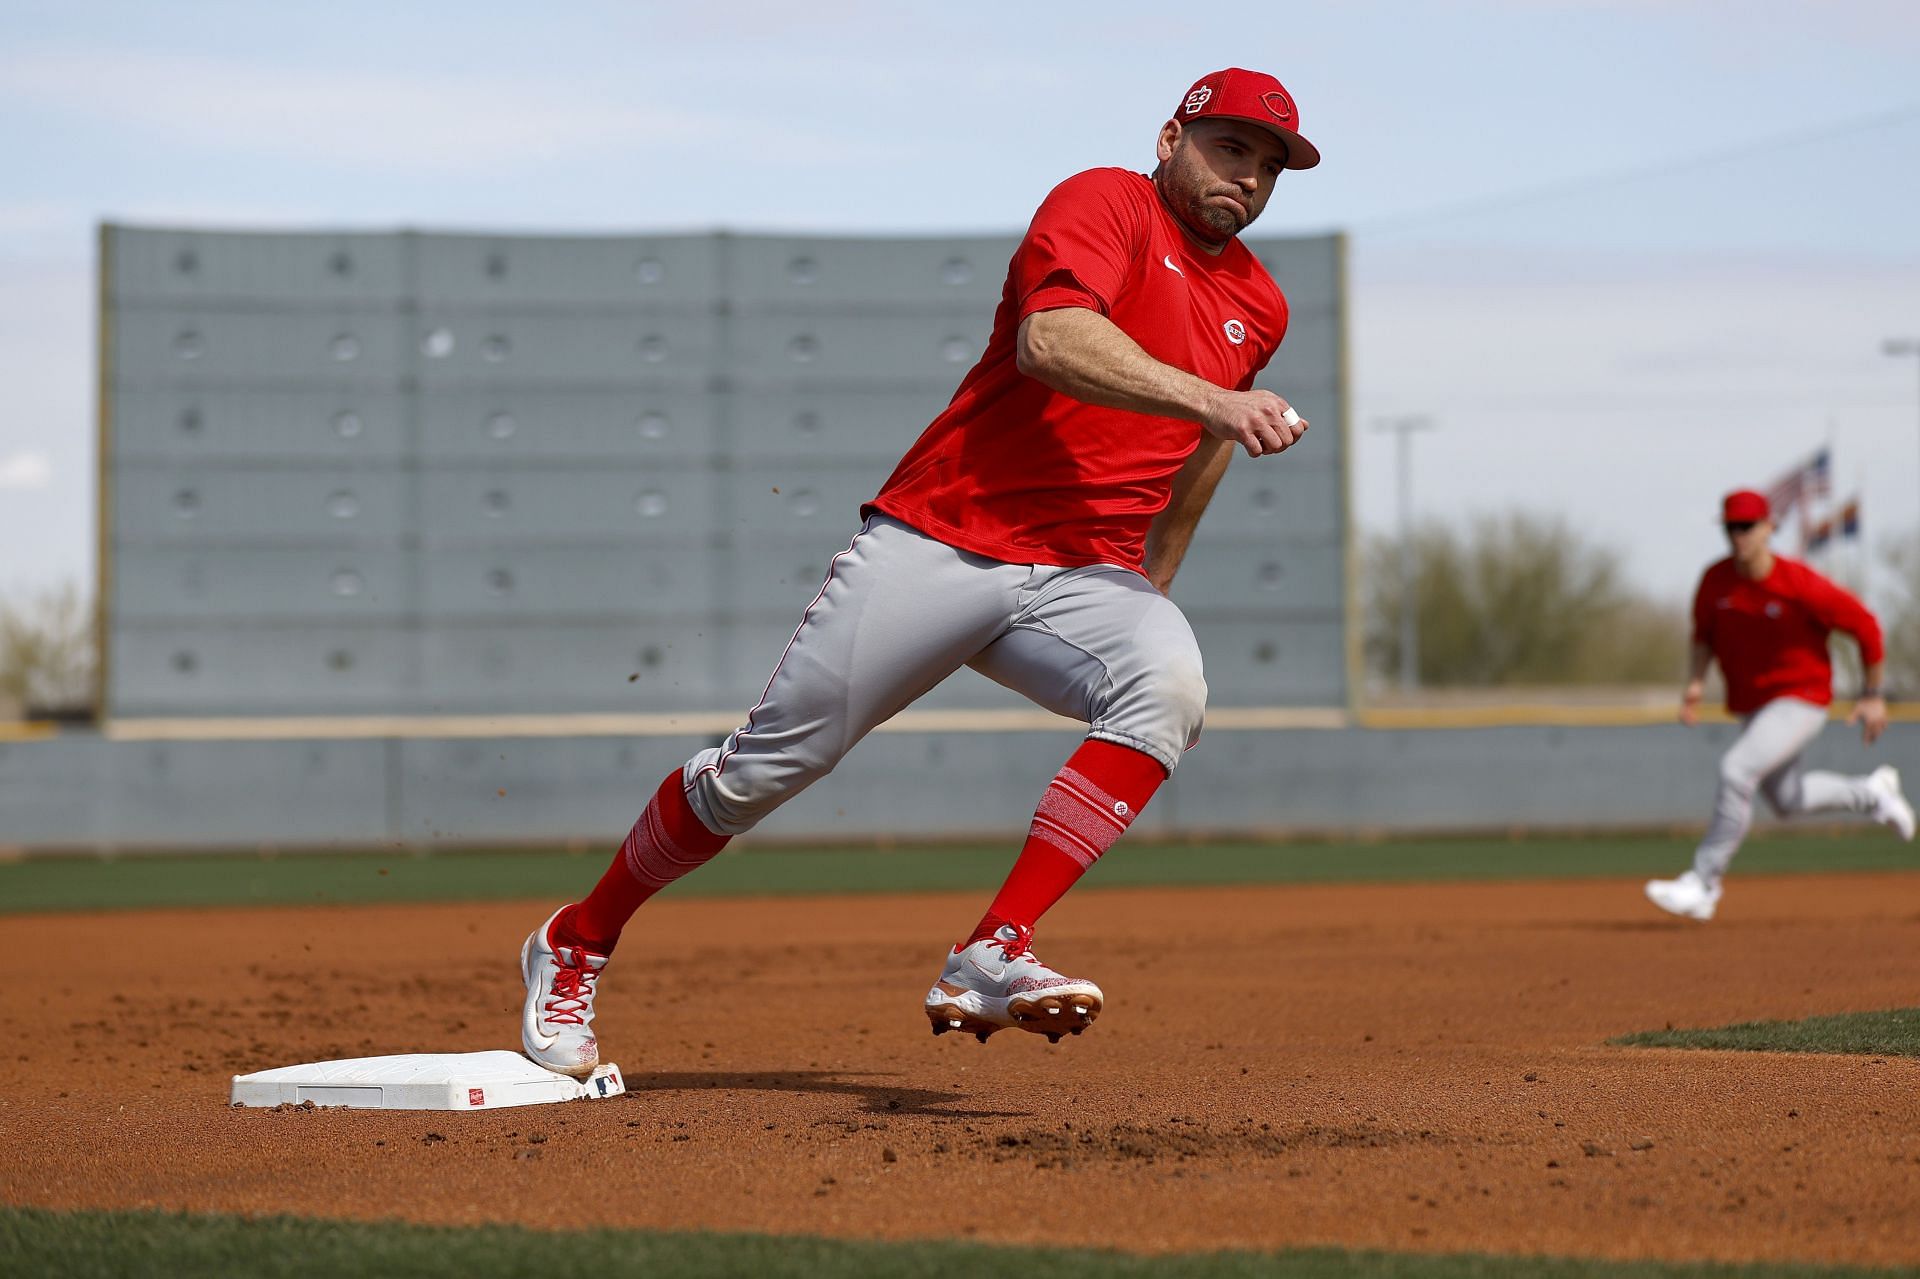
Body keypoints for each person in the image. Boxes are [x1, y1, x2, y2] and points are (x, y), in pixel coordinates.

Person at [517, 68, 1322, 1076]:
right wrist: (1213, 401)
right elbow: (1051, 340)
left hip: (1084, 573)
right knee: (763, 772)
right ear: (1172, 137)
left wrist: (1156, 576)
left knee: (1167, 686)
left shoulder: (1259, 299)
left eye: (1271, 165)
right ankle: (578, 938)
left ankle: (994, 950)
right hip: (945, 536)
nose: (1247, 177)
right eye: (1230, 148)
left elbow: (1205, 449)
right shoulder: (1102, 202)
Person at [1644, 489, 1913, 921]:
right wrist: (1695, 683)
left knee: (1736, 770)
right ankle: (1873, 794)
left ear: (1769, 528)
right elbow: (1703, 637)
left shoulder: (1797, 582)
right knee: (1787, 800)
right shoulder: (1715, 582)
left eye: (1748, 526)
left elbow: (1865, 625)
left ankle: (1703, 883)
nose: (1739, 536)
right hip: (1752, 705)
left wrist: (1872, 695)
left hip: (1801, 697)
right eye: (1732, 527)